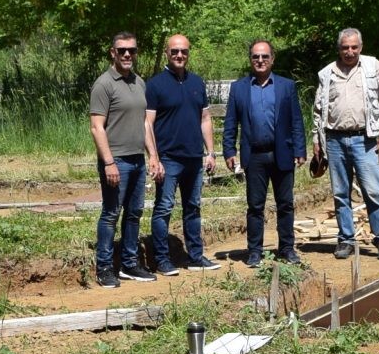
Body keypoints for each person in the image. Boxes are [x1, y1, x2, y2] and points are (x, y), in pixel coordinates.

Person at [312, 28, 379, 259]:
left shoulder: (372, 67)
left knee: (373, 190)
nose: (350, 52)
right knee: (341, 193)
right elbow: (318, 111)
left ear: (361, 47)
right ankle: (346, 240)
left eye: (354, 47)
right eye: (345, 47)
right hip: (335, 140)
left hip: (365, 139)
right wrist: (317, 141)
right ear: (338, 49)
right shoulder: (327, 73)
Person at [222, 40, 307, 268]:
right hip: (255, 156)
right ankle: (255, 251)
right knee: (255, 206)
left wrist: (300, 149)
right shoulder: (239, 88)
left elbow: (296, 120)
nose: (260, 61)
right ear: (250, 59)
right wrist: (229, 150)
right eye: (255, 57)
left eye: (264, 57)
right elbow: (231, 122)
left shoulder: (286, 86)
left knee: (285, 204)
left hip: (282, 153)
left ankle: (287, 248)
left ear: (272, 59)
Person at [144, 33, 220, 272]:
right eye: (175, 51)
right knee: (164, 208)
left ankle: (195, 257)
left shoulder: (197, 83)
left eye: (183, 51)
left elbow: (205, 119)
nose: (179, 55)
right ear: (167, 52)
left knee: (193, 207)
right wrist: (154, 157)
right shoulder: (155, 85)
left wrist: (210, 152)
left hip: (194, 159)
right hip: (168, 158)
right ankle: (163, 260)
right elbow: (147, 123)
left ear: (188, 53)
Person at [88, 32, 157, 288]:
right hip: (116, 160)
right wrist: (108, 162)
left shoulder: (139, 83)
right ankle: (105, 267)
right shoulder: (104, 84)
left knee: (135, 213)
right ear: (112, 52)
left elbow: (145, 123)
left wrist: (153, 156)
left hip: (137, 160)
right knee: (111, 213)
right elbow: (97, 127)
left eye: (132, 50)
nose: (128, 54)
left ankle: (130, 263)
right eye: (122, 50)